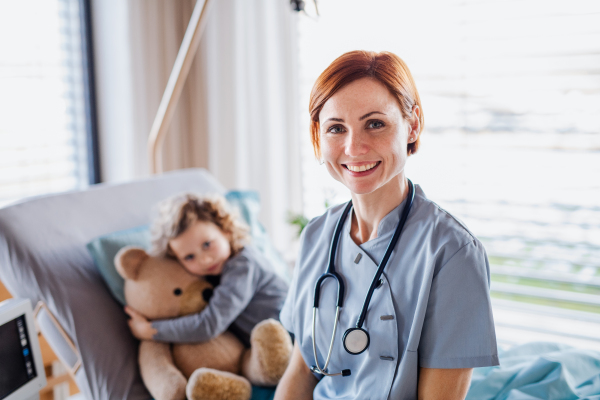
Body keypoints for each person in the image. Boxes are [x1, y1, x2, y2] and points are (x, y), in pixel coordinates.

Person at [274, 51, 499, 400]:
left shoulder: (452, 253)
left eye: (375, 123)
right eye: (336, 128)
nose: (354, 147)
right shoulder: (316, 236)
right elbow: (301, 371)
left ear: (412, 125)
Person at [124, 193, 290, 349]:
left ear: (226, 231)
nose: (204, 260)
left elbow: (209, 324)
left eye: (207, 245)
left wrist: (150, 330)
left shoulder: (243, 266)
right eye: (189, 257)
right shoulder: (213, 272)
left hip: (295, 343)